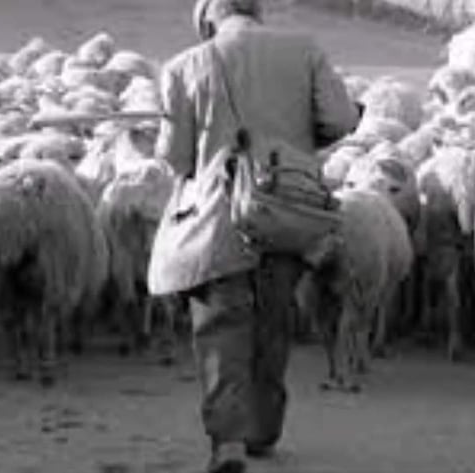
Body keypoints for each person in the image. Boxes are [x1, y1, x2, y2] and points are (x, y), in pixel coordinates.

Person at [147, 1, 360, 472]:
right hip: (285, 211)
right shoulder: (305, 50)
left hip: (216, 218)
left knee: (221, 328)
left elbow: (176, 157)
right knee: (272, 321)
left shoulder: (185, 66)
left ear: (208, 17)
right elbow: (341, 120)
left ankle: (228, 442)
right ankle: (263, 431)